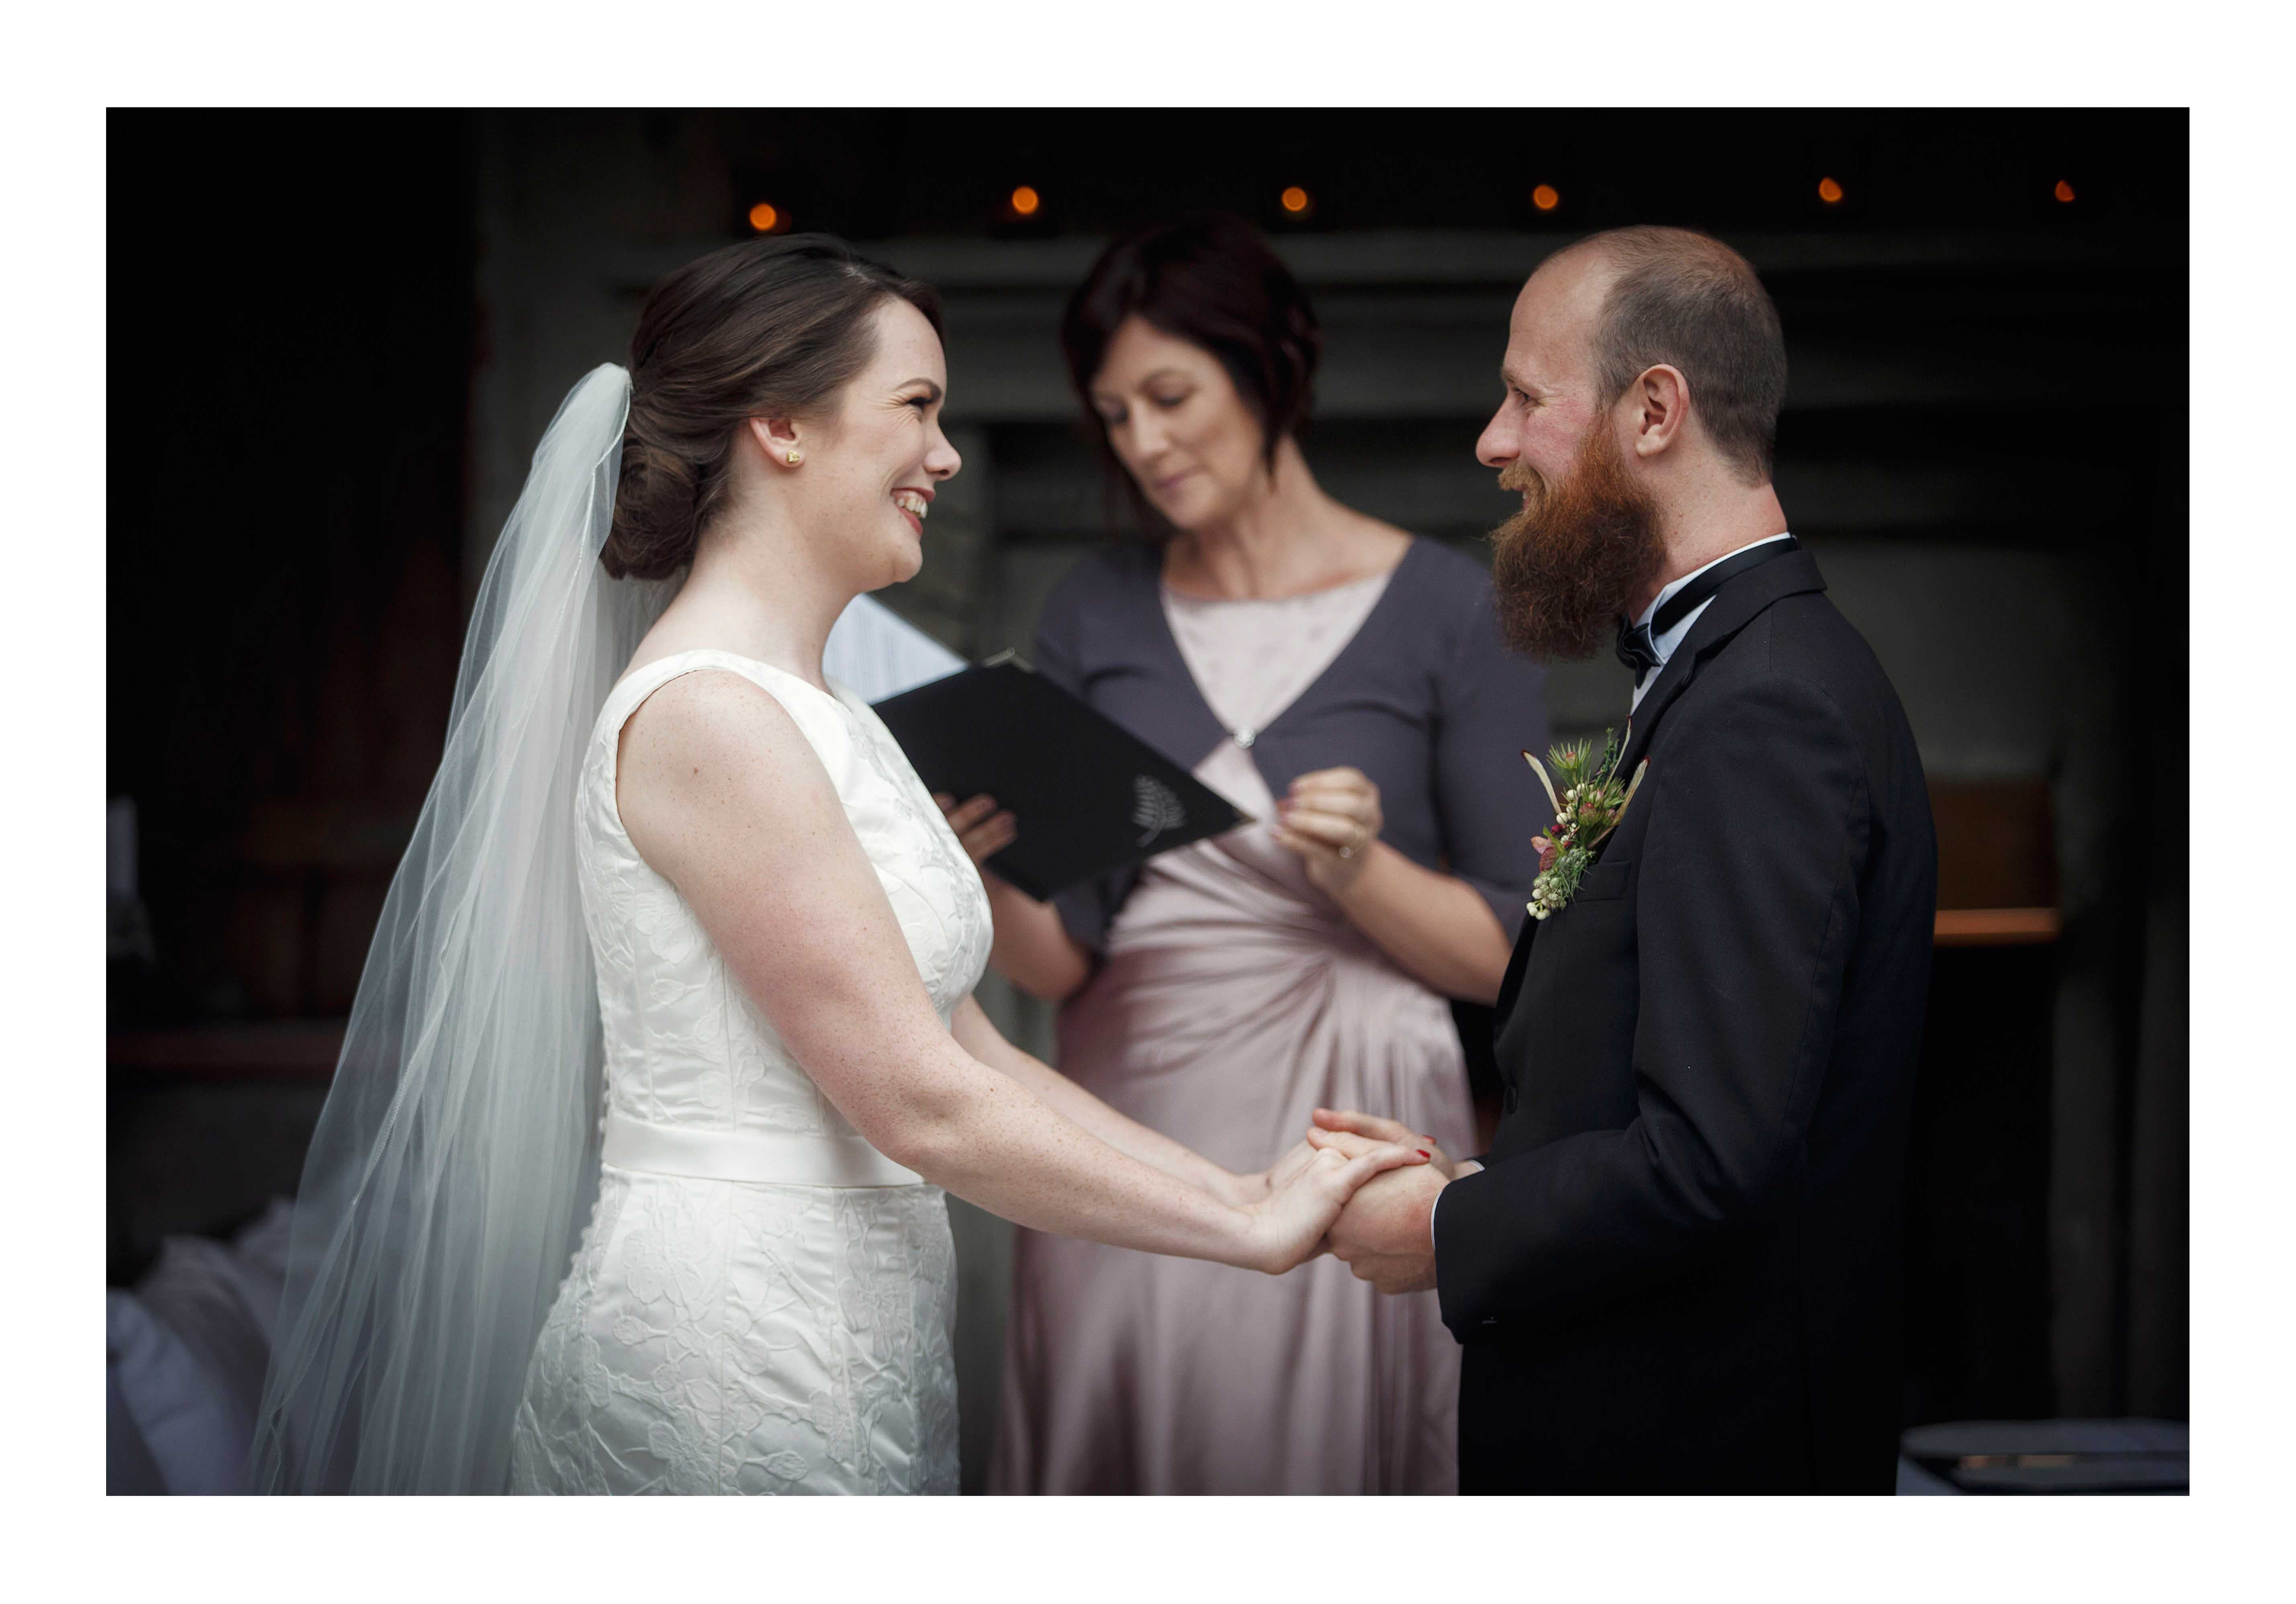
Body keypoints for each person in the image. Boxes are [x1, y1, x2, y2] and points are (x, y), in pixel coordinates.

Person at [250, 233, 1425, 1496]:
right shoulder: (711, 717)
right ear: (781, 426)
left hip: (853, 1321)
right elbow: (917, 1101)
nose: (945, 455)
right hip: (733, 1344)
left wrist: (1247, 1183)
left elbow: (972, 1051)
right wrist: (1243, 1231)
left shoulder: (828, 713)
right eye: (915, 408)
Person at [1313, 226, 1936, 1493]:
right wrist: (1483, 1177)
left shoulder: (1769, 705)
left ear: (1654, 410)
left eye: (1527, 398)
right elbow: (1673, 1096)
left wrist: (1448, 1227)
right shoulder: (1722, 677)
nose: (1492, 441)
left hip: (1696, 1451)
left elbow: (1713, 1157)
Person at [952, 214, 1550, 1495]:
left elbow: (1516, 959)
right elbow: (1059, 968)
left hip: (1355, 1123)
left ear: (1271, 369)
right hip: (1131, 1124)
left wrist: (1360, 875)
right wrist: (983, 866)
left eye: (1170, 397)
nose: (1144, 444)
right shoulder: (1094, 611)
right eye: (1113, 415)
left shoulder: (1448, 609)